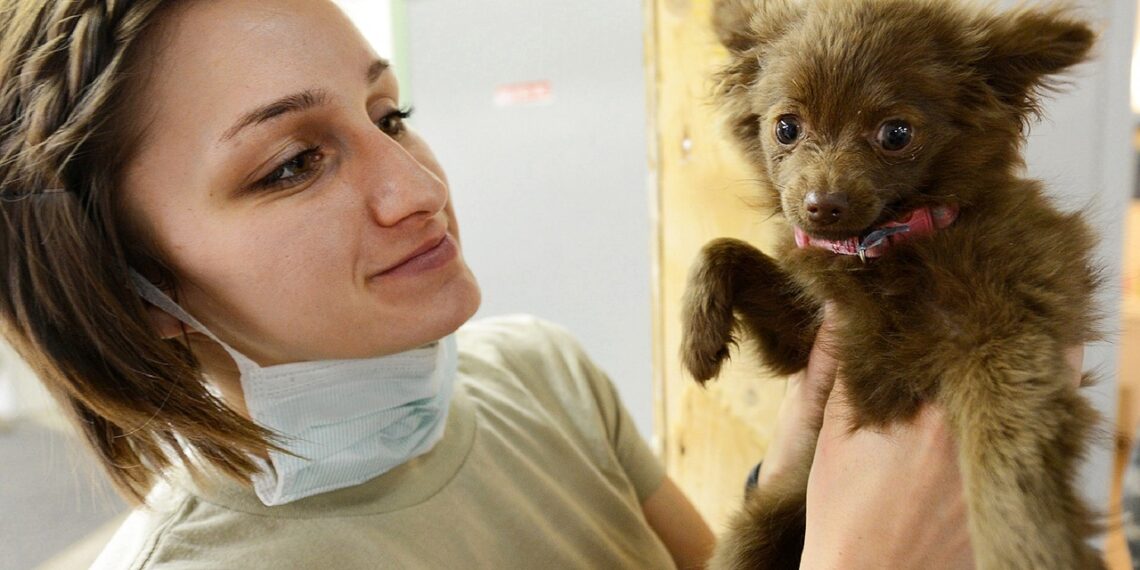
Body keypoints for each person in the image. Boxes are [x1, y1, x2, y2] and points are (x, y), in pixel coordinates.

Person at [0, 0, 1039, 568]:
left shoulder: (541, 376)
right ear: (133, 296)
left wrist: (792, 479)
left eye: (389, 116)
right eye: (290, 164)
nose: (415, 186)